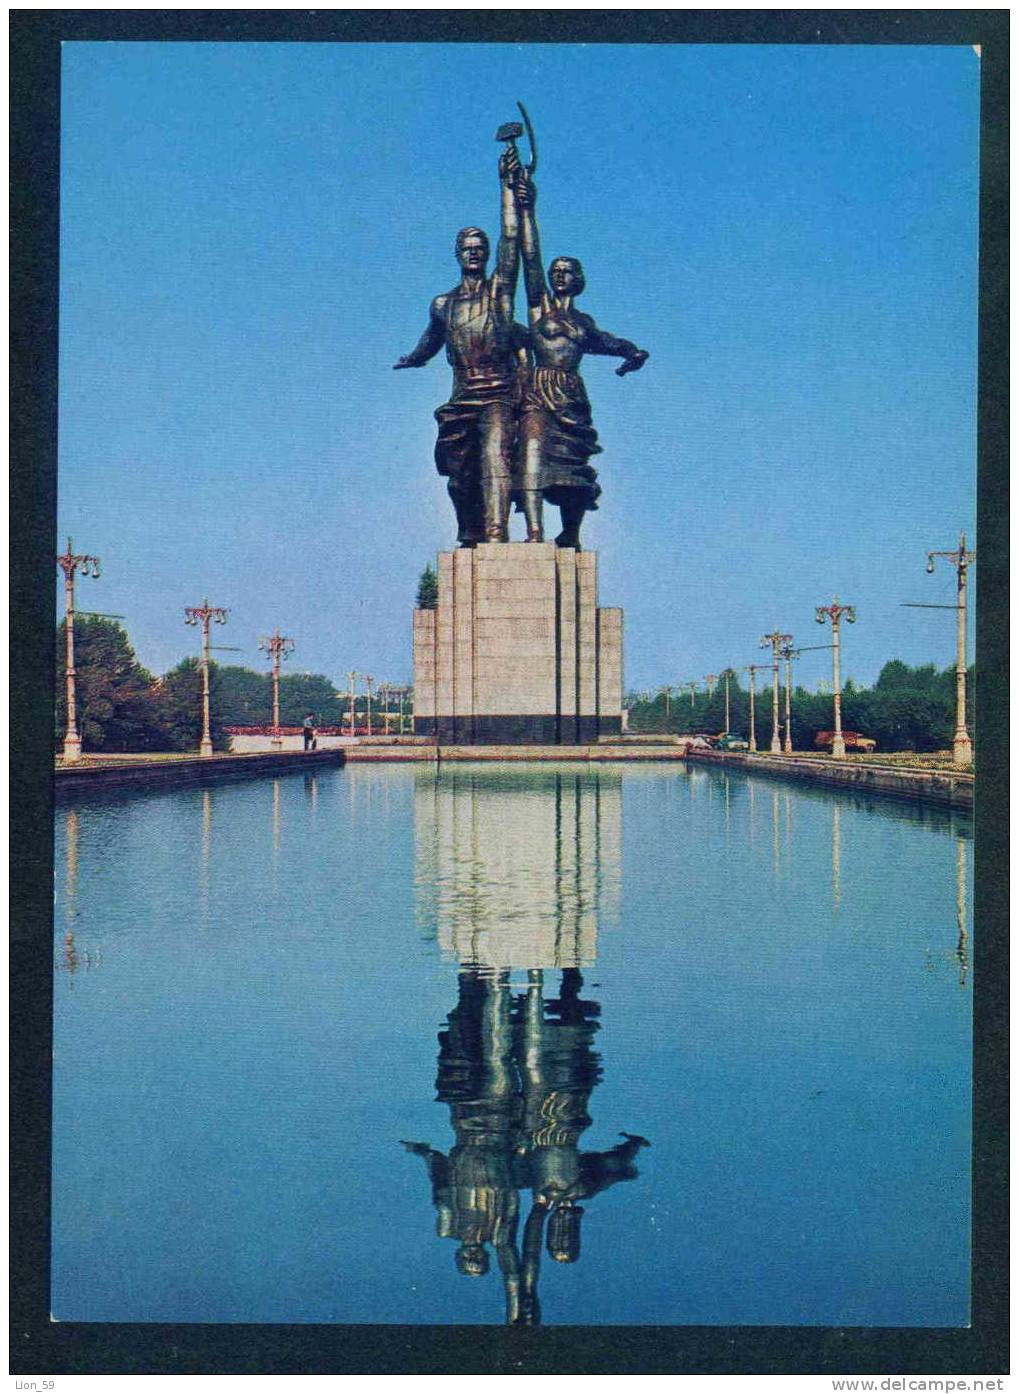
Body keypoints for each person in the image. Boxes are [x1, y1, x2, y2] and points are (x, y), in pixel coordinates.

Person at [394, 148, 523, 546]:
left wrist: (507, 188)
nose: (474, 251)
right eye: (467, 246)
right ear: (457, 254)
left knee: (495, 456)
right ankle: (471, 529)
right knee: (459, 473)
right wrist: (413, 358)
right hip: (462, 396)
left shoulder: (499, 293)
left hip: (498, 393)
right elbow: (430, 341)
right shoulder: (443, 304)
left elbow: (512, 239)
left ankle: (498, 533)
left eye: (479, 247)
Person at [511, 175, 648, 549]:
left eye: (566, 270)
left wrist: (632, 352)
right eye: (555, 271)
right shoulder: (540, 306)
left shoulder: (584, 324)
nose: (558, 274)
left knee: (573, 468)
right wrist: (527, 207)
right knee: (533, 450)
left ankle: (571, 532)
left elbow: (609, 342)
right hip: (539, 390)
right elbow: (530, 255)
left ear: (579, 279)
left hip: (571, 395)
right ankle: (534, 532)